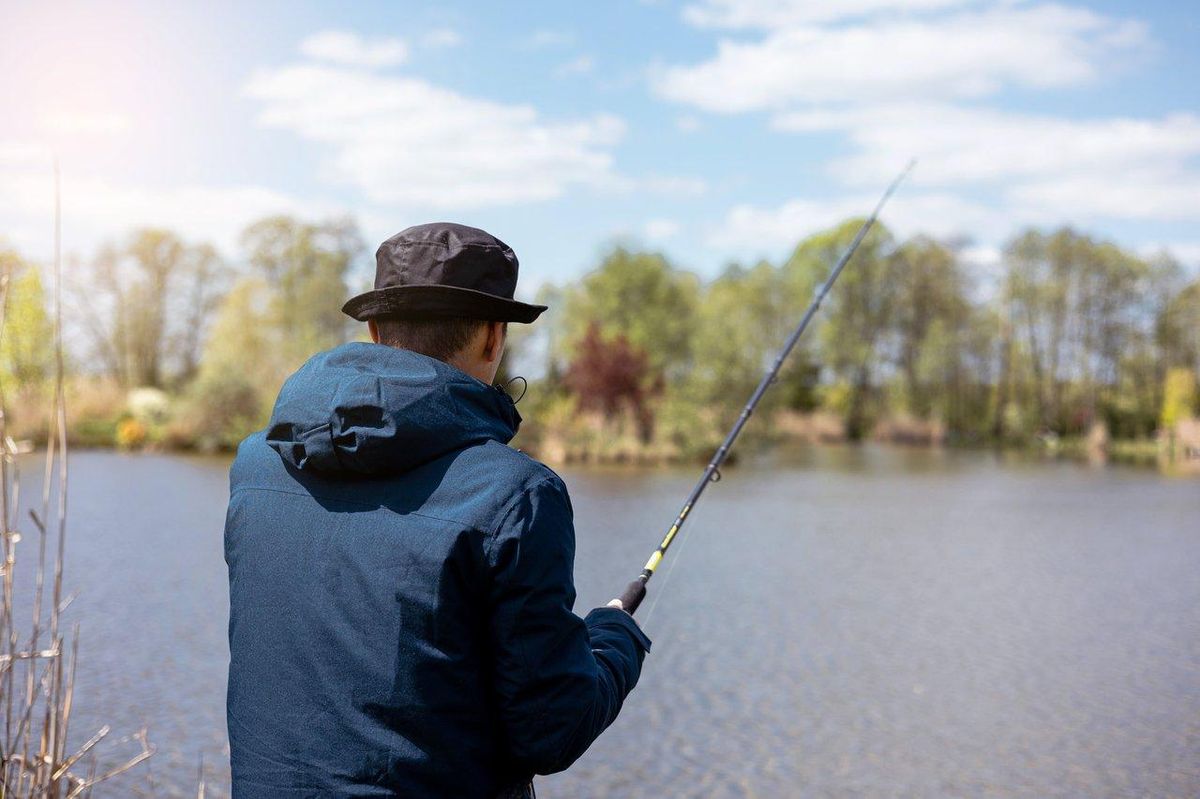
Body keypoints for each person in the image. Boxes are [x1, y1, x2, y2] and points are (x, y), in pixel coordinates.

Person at [224, 222, 651, 798]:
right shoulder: (517, 494)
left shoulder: (255, 466)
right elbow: (550, 732)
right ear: (494, 339)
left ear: (374, 329)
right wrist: (614, 638)